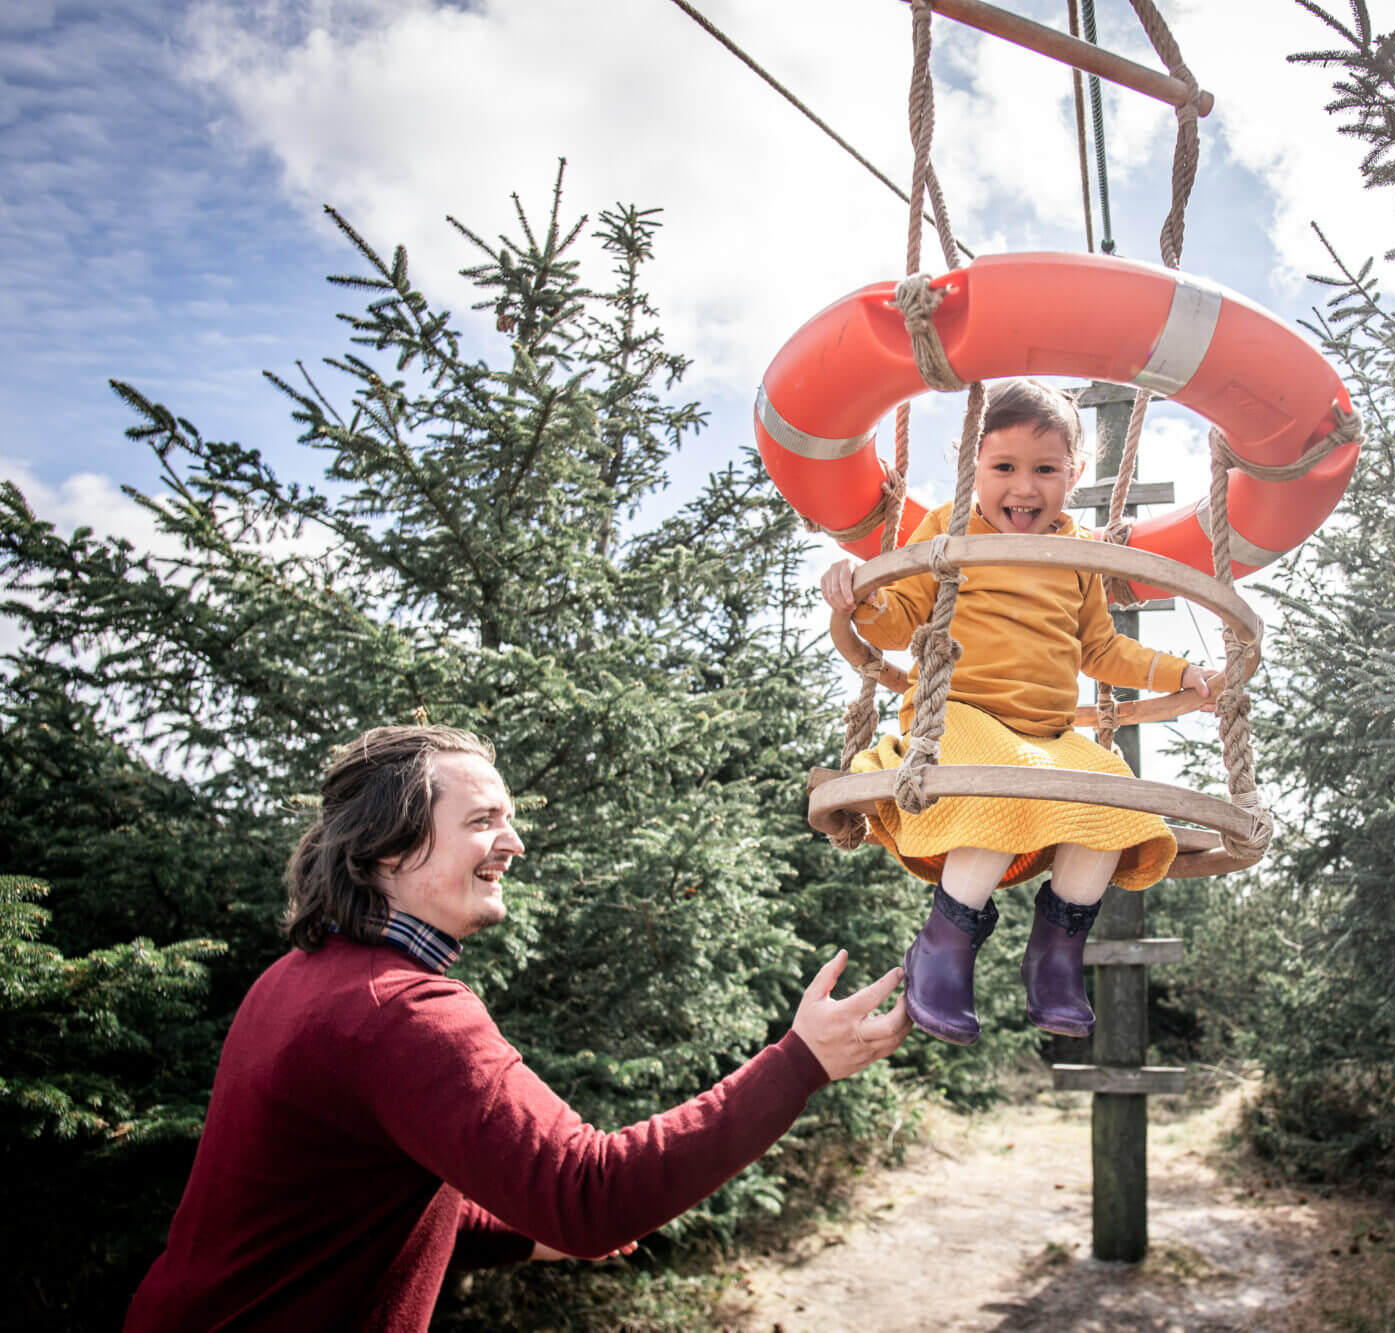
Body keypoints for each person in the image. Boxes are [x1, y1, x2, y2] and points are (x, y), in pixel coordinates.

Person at [125, 724, 909, 1332]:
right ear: (389, 848)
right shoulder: (401, 1013)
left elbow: (359, 1203)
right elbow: (587, 1191)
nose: (514, 841)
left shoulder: (298, 978)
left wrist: (520, 1233)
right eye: (482, 820)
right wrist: (799, 1062)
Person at [820, 378, 1219, 1047]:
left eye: (1045, 470)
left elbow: (1101, 647)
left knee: (1114, 800)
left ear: (1076, 474)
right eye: (1003, 467)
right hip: (960, 716)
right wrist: (855, 601)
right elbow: (898, 621)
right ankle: (943, 951)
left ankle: (1056, 955)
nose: (1024, 488)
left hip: (1047, 733)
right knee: (999, 778)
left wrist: (1180, 671)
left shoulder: (1078, 552)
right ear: (972, 466)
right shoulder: (950, 529)